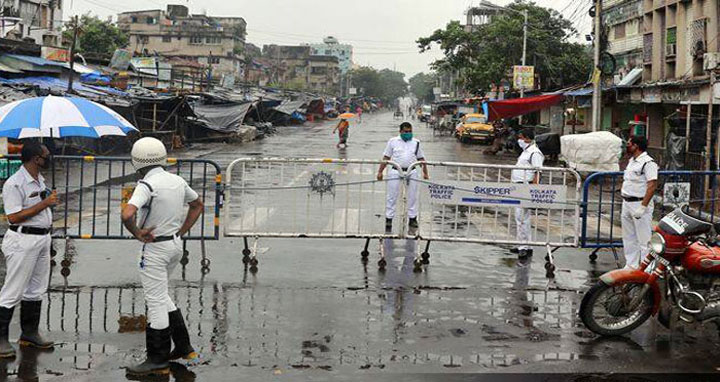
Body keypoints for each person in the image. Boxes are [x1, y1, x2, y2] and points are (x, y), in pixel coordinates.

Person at [122, 137, 204, 377]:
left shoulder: (146, 185)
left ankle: (157, 360)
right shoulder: (177, 180)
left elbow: (127, 214)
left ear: (137, 160)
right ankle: (183, 345)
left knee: (155, 300)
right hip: (174, 245)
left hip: (155, 248)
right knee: (161, 294)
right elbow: (198, 204)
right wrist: (181, 231)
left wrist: (137, 232)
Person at [0, 141, 56, 358]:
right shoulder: (15, 184)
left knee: (36, 289)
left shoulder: (39, 180)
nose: (49, 158)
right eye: (46, 155)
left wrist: (48, 203)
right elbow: (13, 216)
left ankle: (30, 333)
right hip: (22, 240)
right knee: (12, 291)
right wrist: (45, 203)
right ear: (36, 159)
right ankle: (1, 338)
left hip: (42, 239)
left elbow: (39, 208)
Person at [377, 122, 430, 233]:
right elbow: (386, 157)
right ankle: (389, 219)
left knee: (412, 196)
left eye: (410, 131)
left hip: (412, 171)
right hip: (396, 171)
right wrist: (380, 171)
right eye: (406, 131)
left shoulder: (416, 142)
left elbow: (421, 159)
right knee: (392, 195)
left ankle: (412, 218)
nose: (408, 133)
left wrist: (425, 172)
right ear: (400, 131)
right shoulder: (393, 142)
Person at [620, 135, 658, 269]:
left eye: (629, 143)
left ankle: (647, 269)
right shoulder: (632, 161)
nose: (627, 145)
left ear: (636, 146)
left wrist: (643, 207)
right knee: (629, 237)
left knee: (644, 239)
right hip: (627, 202)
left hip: (639, 203)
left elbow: (652, 185)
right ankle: (631, 265)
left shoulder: (648, 163)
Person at [510, 128, 544, 259]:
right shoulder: (526, 151)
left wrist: (533, 190)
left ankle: (524, 247)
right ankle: (523, 245)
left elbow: (537, 172)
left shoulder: (535, 153)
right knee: (521, 218)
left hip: (526, 186)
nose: (519, 140)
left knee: (522, 217)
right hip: (519, 186)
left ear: (527, 138)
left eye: (521, 138)